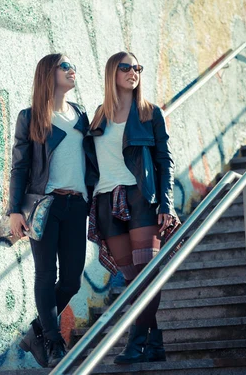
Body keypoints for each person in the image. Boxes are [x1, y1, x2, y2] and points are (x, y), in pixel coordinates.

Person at [88, 51, 177, 364]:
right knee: (131, 279)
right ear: (112, 72)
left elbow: (165, 160)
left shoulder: (149, 113)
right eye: (125, 67)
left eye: (137, 67)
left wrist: (167, 203)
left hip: (140, 198)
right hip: (105, 202)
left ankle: (135, 343)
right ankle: (156, 345)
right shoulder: (98, 115)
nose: (133, 72)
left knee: (145, 276)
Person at [9, 53, 95, 368]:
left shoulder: (82, 116)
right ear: (49, 73)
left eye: (74, 65)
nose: (73, 70)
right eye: (65, 66)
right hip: (45, 205)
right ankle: (53, 341)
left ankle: (36, 331)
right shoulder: (30, 117)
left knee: (71, 279)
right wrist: (14, 210)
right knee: (46, 274)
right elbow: (19, 167)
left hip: (77, 205)